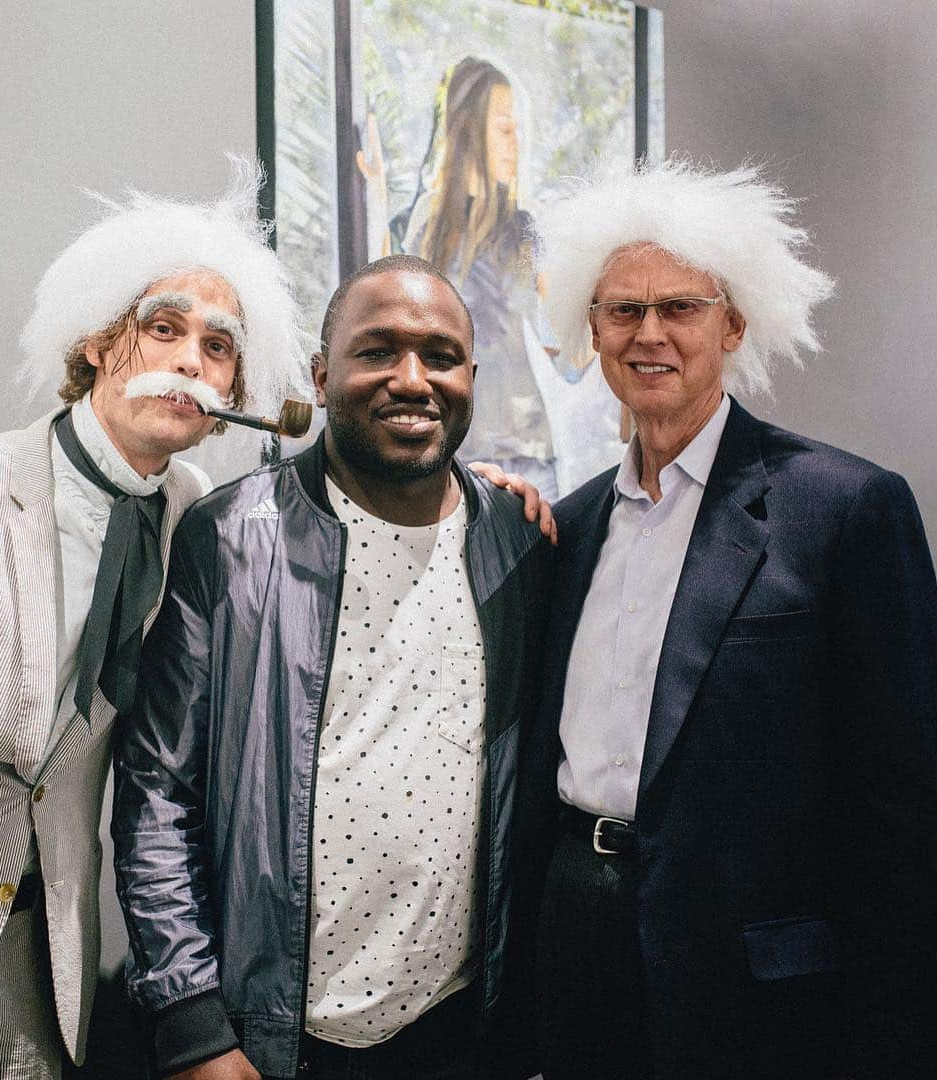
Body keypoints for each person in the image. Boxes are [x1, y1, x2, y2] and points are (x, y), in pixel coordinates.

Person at [0, 178, 308, 1079]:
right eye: (166, 328)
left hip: (56, 977)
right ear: (101, 344)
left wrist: (474, 488)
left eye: (218, 349)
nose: (190, 361)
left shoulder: (196, 520)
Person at [525, 160, 937, 1079]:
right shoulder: (574, 523)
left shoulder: (846, 509)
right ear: (591, 330)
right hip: (581, 949)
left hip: (761, 988)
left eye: (680, 307)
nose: (650, 333)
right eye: (623, 310)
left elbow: (905, 803)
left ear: (734, 323)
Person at [113, 254, 555, 1080]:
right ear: (322, 376)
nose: (413, 379)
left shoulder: (518, 544)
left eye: (441, 356)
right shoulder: (232, 540)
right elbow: (155, 791)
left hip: (459, 1025)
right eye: (378, 351)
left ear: (470, 377)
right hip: (272, 1035)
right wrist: (192, 1022)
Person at [391, 57, 558, 498]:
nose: (515, 143)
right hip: (450, 450)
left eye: (518, 129)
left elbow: (561, 349)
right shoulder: (429, 226)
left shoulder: (524, 231)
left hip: (526, 447)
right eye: (505, 128)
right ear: (469, 129)